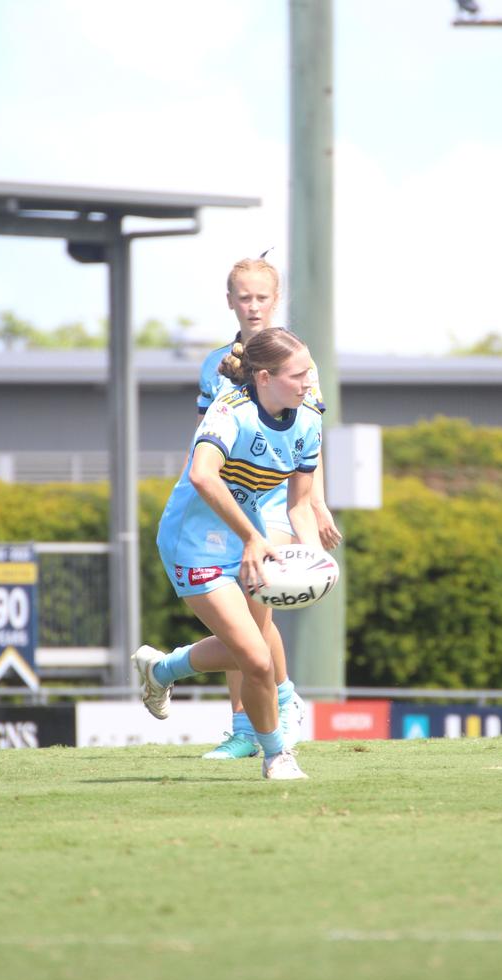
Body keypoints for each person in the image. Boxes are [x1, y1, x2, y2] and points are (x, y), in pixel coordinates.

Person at [133, 328, 324, 780]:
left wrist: (315, 556)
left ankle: (161, 670)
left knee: (251, 650)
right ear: (264, 378)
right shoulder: (230, 411)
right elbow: (202, 476)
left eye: (309, 372)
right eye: (298, 375)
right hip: (193, 545)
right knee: (257, 659)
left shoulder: (310, 417)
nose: (308, 383)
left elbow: (298, 504)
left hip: (246, 539)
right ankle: (277, 755)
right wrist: (253, 538)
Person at [196, 257, 341, 760]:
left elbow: (310, 436)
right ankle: (248, 719)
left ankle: (271, 709)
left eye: (261, 296)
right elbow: (207, 444)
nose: (252, 305)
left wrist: (316, 501)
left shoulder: (295, 359)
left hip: (278, 502)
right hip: (235, 504)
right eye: (243, 296)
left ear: (274, 300)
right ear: (230, 300)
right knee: (241, 619)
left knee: (252, 603)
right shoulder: (214, 363)